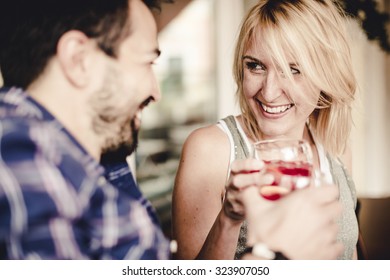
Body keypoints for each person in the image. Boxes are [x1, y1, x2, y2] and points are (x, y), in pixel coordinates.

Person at [0, 0, 343, 260]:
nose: (156, 90)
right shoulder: (21, 156)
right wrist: (274, 252)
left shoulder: (100, 166)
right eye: (147, 61)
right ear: (78, 59)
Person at [172, 0, 358, 260]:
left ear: (326, 75)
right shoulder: (211, 150)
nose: (269, 93)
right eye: (256, 66)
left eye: (294, 70)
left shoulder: (336, 148)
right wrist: (229, 218)